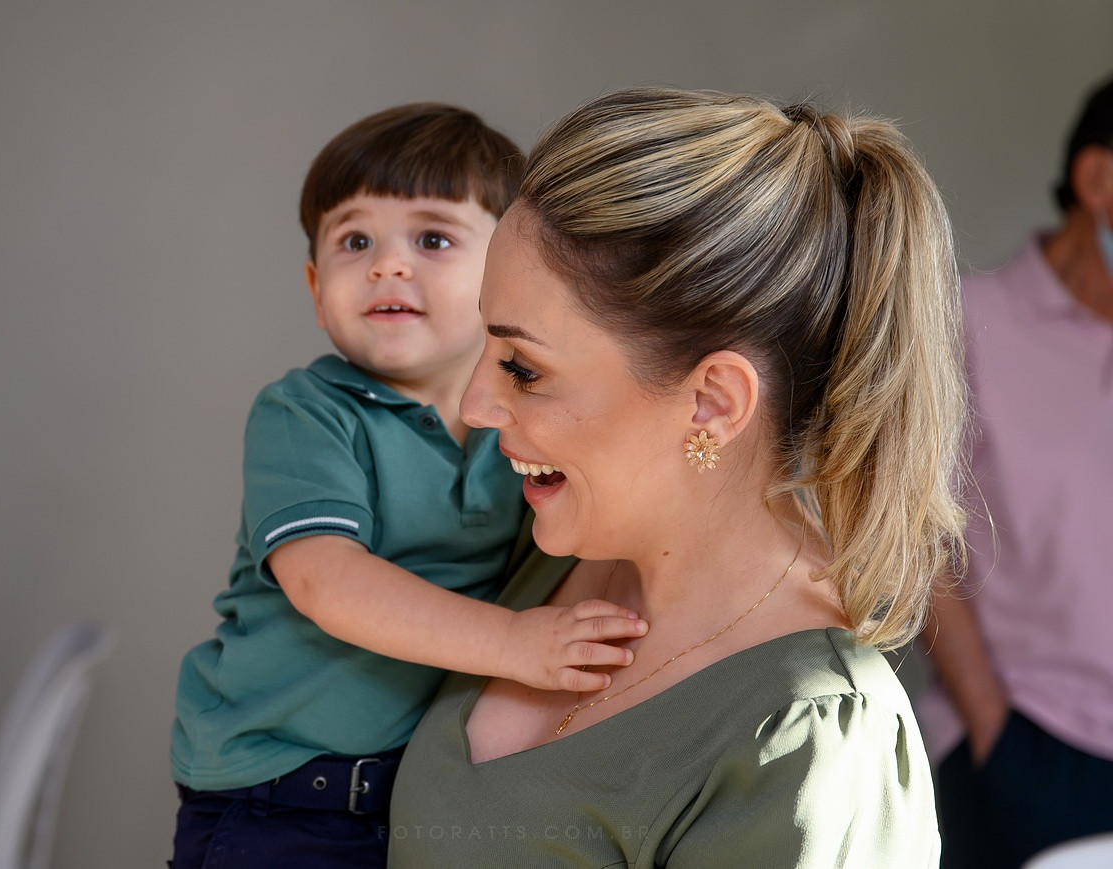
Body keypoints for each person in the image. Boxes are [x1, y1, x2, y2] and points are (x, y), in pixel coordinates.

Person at [387, 86, 966, 867]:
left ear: (712, 401)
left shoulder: (812, 740)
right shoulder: (545, 533)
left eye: (523, 367)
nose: (474, 405)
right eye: (483, 345)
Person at [168, 103, 646, 869]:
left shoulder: (523, 425)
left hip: (414, 790)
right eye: (355, 241)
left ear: (510, 276)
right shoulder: (307, 412)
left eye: (432, 238)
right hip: (279, 792)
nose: (388, 265)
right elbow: (326, 580)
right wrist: (514, 643)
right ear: (316, 287)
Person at [916, 74, 1113, 869]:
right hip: (1031, 749)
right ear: (1098, 179)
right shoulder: (964, 323)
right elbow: (914, 532)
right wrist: (991, 725)